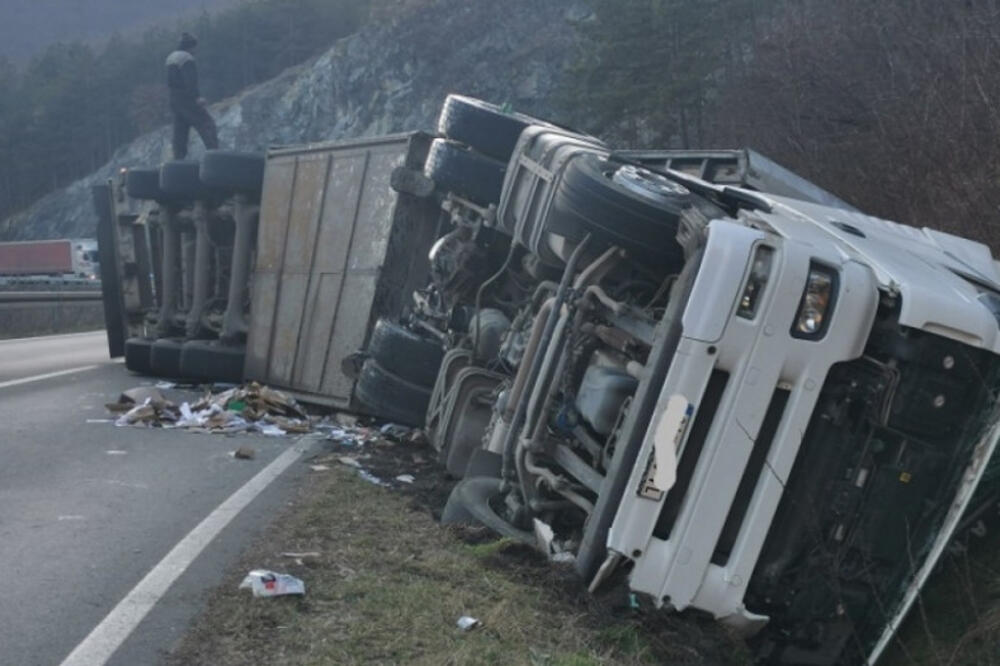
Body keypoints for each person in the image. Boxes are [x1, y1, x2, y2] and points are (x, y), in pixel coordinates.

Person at [165, 32, 219, 159]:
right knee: (207, 123)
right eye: (195, 47)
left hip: (174, 100)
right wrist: (197, 97)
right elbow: (190, 80)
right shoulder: (186, 58)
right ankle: (215, 155)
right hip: (187, 99)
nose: (195, 51)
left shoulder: (170, 58)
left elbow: (170, 82)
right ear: (191, 46)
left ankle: (178, 161)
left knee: (180, 133)